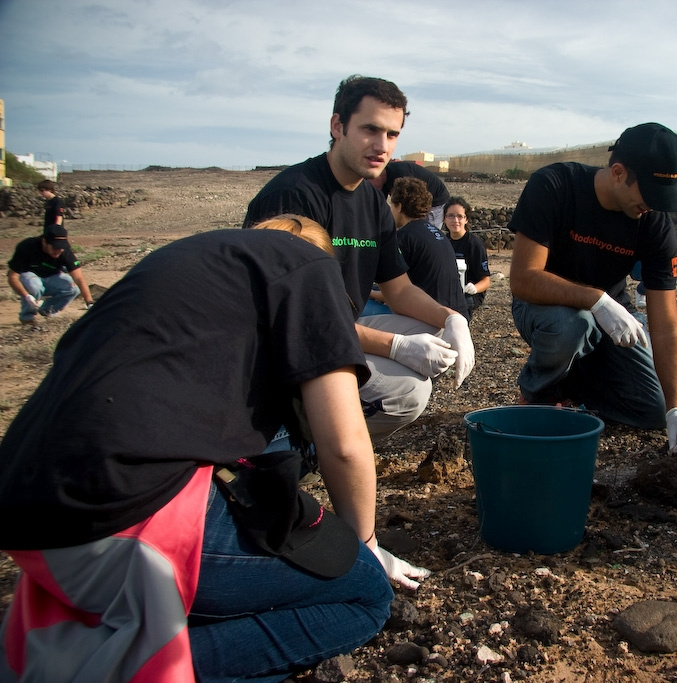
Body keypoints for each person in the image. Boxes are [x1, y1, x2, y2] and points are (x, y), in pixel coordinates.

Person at [0, 216, 430, 682]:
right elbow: (343, 444)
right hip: (122, 508)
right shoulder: (308, 266)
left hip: (26, 511)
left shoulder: (182, 261)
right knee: (364, 593)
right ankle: (129, 670)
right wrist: (365, 545)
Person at [243, 74, 475, 443]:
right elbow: (296, 319)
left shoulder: (372, 202)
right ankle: (298, 440)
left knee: (436, 333)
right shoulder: (294, 197)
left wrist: (453, 318)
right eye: (370, 129)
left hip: (338, 328)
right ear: (338, 126)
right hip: (285, 345)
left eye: (392, 134)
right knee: (408, 392)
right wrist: (395, 346)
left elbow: (399, 289)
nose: (382, 146)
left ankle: (324, 425)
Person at [508, 122, 677, 454]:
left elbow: (665, 324)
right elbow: (523, 279)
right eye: (649, 193)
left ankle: (574, 383)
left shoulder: (654, 223)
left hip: (613, 316)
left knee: (651, 410)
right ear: (618, 173)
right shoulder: (555, 185)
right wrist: (596, 300)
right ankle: (537, 395)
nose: (653, 206)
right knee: (574, 325)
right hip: (543, 308)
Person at [366, 177, 467, 318]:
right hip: (457, 313)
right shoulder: (438, 233)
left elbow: (395, 294)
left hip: (431, 317)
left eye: (392, 206)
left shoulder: (403, 237)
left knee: (359, 307)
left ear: (399, 207)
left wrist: (368, 292)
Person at [7, 223, 94, 323]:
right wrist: (27, 296)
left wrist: (89, 302)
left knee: (73, 288)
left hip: (50, 277)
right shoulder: (27, 247)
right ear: (44, 242)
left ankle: (48, 310)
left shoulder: (65, 252)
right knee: (34, 286)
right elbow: (12, 277)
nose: (59, 251)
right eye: (55, 247)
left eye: (61, 247)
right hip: (28, 277)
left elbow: (79, 278)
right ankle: (27, 318)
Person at [444, 196, 492, 322]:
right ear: (444, 219)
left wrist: (474, 288)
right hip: (448, 291)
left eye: (460, 216)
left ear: (466, 219)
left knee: (456, 311)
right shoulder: (442, 242)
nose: (455, 220)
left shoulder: (475, 245)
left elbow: (486, 280)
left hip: (469, 294)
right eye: (450, 216)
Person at [370, 159, 451, 228]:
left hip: (436, 201)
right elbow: (378, 207)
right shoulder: (381, 184)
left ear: (379, 173)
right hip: (419, 201)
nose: (370, 186)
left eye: (370, 180)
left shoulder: (400, 174)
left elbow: (411, 204)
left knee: (425, 231)